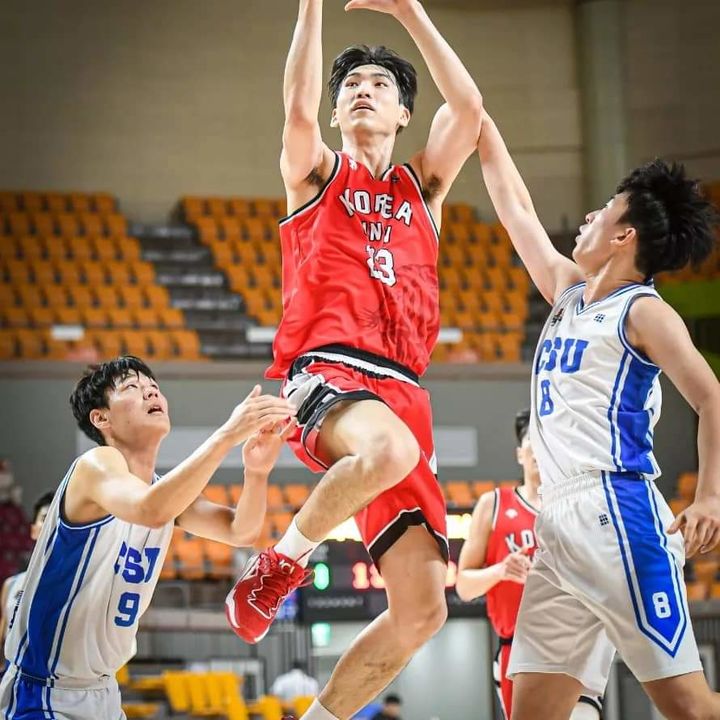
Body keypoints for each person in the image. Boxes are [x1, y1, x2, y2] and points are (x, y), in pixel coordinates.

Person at [226, 1, 483, 719]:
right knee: (387, 448)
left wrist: (409, 11)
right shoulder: (314, 173)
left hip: (404, 393)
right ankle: (276, 567)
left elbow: (468, 108)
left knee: (424, 611)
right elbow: (296, 107)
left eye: (379, 84)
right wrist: (309, 6)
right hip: (328, 373)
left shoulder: (422, 189)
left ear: (404, 114)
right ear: (337, 112)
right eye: (351, 86)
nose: (362, 90)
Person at [475, 107, 720, 720]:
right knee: (530, 711)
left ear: (623, 236)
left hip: (617, 511)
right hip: (557, 521)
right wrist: (472, 108)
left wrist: (711, 497)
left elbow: (712, 397)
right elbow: (513, 204)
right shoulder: (566, 293)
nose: (586, 216)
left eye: (602, 210)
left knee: (688, 708)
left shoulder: (645, 312)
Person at [0, 356, 295, 719]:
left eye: (152, 385)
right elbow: (149, 509)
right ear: (101, 418)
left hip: (104, 693)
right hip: (44, 693)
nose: (150, 389)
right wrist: (226, 435)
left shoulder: (161, 490)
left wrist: (257, 472)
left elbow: (241, 531)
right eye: (131, 387)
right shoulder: (96, 466)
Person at [457, 410, 603, 720]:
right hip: (518, 650)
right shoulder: (493, 504)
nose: (539, 448)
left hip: (573, 643)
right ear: (519, 453)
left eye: (546, 440)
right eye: (531, 441)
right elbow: (464, 586)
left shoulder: (576, 507)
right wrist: (500, 571)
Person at [0, 492, 54, 666]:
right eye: (45, 518)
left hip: (54, 686)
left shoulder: (79, 583)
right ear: (33, 530)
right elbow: (3, 638)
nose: (51, 524)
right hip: (14, 681)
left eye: (58, 519)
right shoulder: (11, 584)